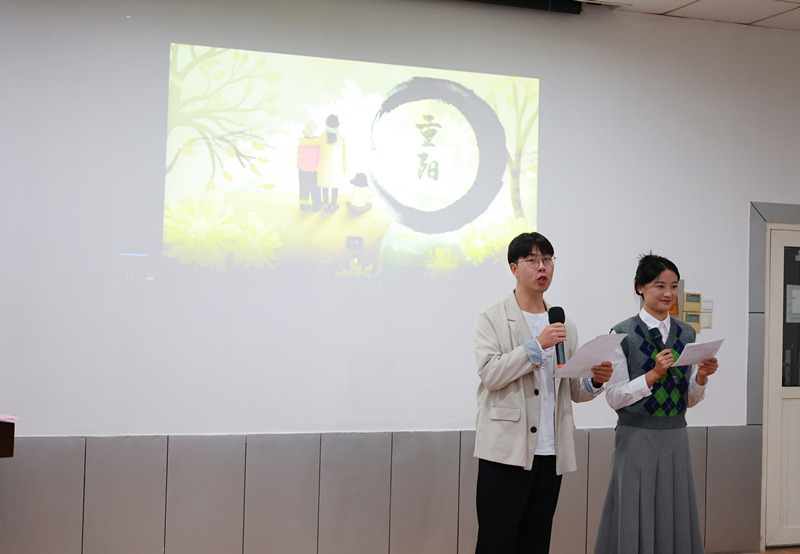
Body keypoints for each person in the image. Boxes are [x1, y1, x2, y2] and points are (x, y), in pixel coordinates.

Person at [474, 232, 613, 554]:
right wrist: (537, 345)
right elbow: (491, 374)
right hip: (506, 451)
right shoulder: (492, 318)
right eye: (533, 260)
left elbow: (571, 389)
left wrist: (594, 381)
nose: (542, 267)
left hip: (551, 452)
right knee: (497, 541)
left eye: (547, 259)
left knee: (536, 541)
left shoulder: (565, 325)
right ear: (514, 268)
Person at [594, 254, 719, 554]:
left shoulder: (686, 333)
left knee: (672, 515)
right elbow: (613, 397)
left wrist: (702, 376)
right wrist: (652, 375)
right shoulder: (622, 333)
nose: (668, 293)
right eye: (659, 285)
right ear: (640, 287)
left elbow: (688, 400)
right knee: (633, 514)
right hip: (636, 437)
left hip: (676, 437)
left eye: (674, 286)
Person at [316, 114, 346, 212]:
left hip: (323, 166)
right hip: (336, 167)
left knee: (325, 186)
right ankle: (333, 204)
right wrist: (344, 169)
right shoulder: (341, 138)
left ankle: (326, 205)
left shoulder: (321, 136)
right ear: (337, 124)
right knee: (334, 186)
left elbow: (317, 151)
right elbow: (343, 155)